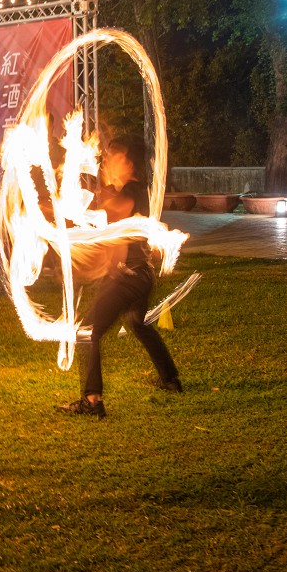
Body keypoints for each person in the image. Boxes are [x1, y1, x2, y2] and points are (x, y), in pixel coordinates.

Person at [57, 134, 183, 420]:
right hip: (141, 275)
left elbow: (114, 213)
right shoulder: (127, 191)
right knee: (138, 323)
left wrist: (76, 211)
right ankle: (170, 379)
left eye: (113, 157)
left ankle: (92, 400)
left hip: (131, 277)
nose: (106, 163)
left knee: (87, 331)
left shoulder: (131, 191)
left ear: (127, 163)